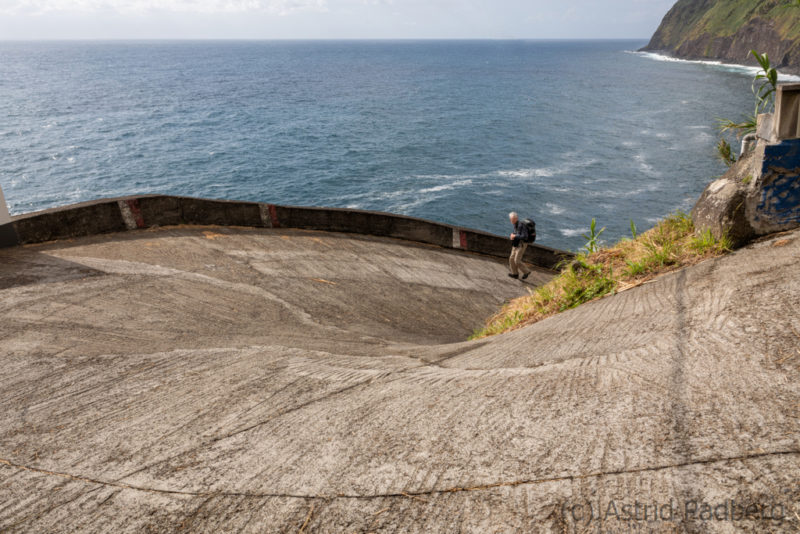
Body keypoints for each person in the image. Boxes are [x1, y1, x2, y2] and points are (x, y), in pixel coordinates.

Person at [508, 212, 532, 280]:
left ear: (516, 218)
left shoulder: (521, 225)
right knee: (511, 259)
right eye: (511, 219)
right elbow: (516, 233)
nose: (511, 221)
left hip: (521, 245)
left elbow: (525, 236)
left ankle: (526, 271)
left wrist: (515, 236)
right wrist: (512, 235)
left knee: (517, 260)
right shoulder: (515, 224)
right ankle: (515, 274)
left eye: (512, 219)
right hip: (515, 244)